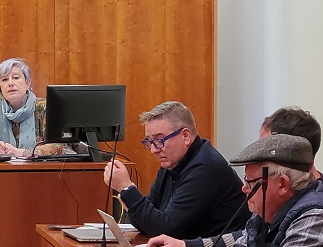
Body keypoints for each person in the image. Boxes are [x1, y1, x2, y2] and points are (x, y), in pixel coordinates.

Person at [164, 134, 323, 247]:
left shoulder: (316, 219)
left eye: (250, 182)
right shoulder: (265, 213)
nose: (244, 189)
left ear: (282, 184)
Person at [148, 105, 323, 247]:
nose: (257, 153)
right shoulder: (271, 199)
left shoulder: (320, 210)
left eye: (264, 147)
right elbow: (244, 239)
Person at [102, 101, 248, 239]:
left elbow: (165, 230)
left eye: (159, 140)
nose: (153, 150)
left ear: (185, 136)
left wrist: (126, 188)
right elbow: (146, 222)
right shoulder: (171, 165)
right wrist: (126, 192)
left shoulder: (206, 167)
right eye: (149, 142)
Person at [0, 58, 66, 158]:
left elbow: (57, 145)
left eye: (16, 78)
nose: (10, 83)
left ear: (28, 83)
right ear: (0, 87)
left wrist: (23, 153)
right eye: (4, 79)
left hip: (36, 166)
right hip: (2, 166)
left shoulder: (43, 107)